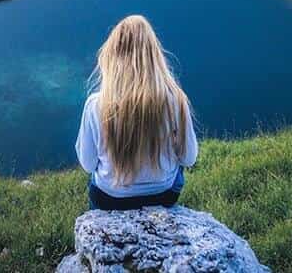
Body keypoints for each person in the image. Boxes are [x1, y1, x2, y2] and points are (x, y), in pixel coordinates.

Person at [75, 14, 199, 210]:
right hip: (163, 194)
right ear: (154, 55)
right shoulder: (175, 99)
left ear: (112, 57)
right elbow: (189, 158)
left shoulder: (96, 104)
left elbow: (88, 164)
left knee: (96, 178)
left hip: (110, 197)